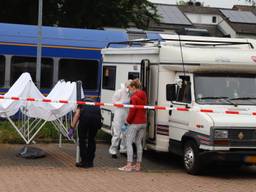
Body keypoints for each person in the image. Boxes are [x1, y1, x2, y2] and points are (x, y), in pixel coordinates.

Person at [118, 79, 147, 172]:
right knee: (138, 143)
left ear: (134, 87)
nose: (128, 90)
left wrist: (127, 122)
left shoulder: (133, 98)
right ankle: (138, 165)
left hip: (135, 123)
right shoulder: (144, 95)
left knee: (129, 142)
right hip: (143, 122)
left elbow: (132, 112)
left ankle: (129, 165)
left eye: (129, 88)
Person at [68, 98, 102, 168]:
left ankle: (84, 162)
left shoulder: (81, 103)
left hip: (85, 119)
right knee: (92, 139)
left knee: (82, 140)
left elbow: (77, 115)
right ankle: (90, 162)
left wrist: (72, 128)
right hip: (95, 119)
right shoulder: (95, 103)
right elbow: (99, 115)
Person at [109, 80, 131, 158]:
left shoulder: (130, 93)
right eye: (130, 87)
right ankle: (113, 151)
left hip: (127, 113)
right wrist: (122, 104)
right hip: (119, 113)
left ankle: (123, 149)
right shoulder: (119, 92)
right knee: (117, 133)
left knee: (125, 133)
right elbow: (113, 102)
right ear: (127, 86)